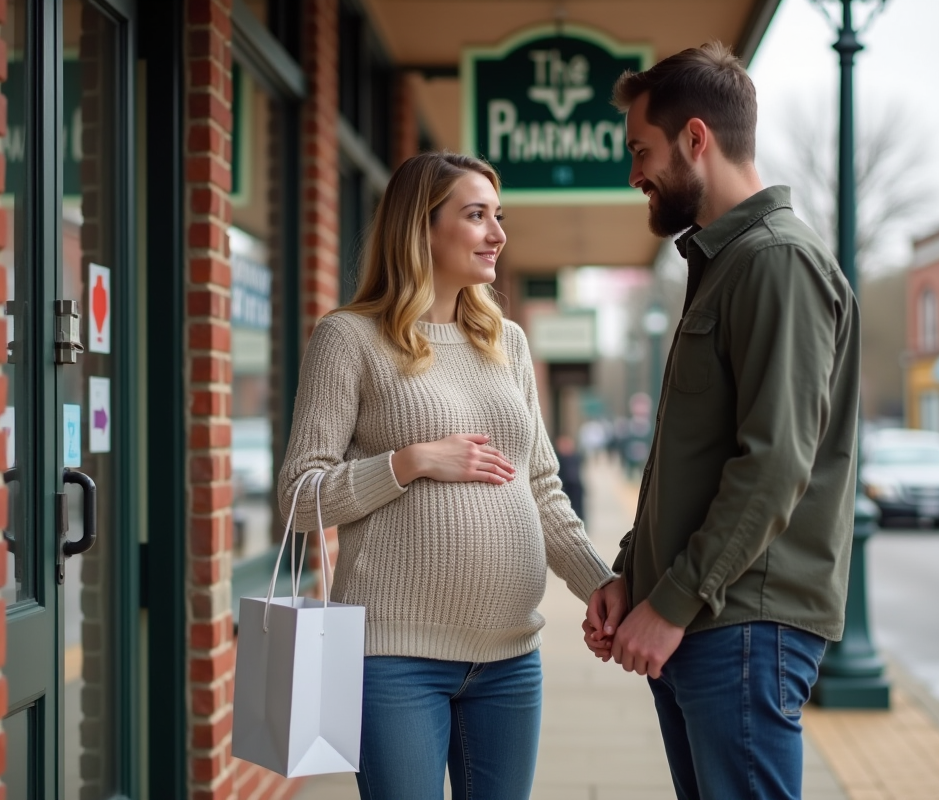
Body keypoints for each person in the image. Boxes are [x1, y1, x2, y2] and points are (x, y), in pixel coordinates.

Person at [277, 151, 615, 800]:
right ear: (421, 228)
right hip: (393, 659)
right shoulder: (349, 339)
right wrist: (410, 462)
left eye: (499, 216)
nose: (498, 233)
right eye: (476, 215)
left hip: (511, 654)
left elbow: (541, 486)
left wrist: (598, 582)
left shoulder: (506, 342)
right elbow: (298, 498)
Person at [583, 42, 862, 800]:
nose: (633, 172)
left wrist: (669, 603)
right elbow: (688, 459)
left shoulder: (778, 262)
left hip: (740, 625)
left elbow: (772, 465)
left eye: (642, 149)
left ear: (696, 139)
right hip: (703, 623)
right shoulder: (726, 266)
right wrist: (632, 575)